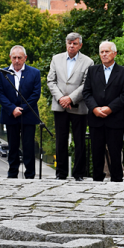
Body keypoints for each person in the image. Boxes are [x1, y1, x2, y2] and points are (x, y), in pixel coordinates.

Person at [82, 41, 124, 182]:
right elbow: (86, 92)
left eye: (107, 51)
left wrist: (110, 108)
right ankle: (97, 180)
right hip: (96, 118)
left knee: (115, 153)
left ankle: (116, 180)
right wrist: (94, 108)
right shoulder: (92, 71)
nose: (104, 54)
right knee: (96, 153)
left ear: (114, 53)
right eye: (102, 52)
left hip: (114, 119)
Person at [47, 32, 93, 181]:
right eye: (69, 43)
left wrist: (70, 98)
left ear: (80, 45)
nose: (71, 46)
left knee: (79, 140)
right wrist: (61, 98)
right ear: (66, 44)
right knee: (60, 139)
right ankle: (60, 172)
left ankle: (78, 173)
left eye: (74, 43)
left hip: (78, 106)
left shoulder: (88, 62)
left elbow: (86, 84)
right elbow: (51, 81)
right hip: (60, 106)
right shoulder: (56, 59)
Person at [0, 45, 41, 179]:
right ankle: (12, 174)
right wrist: (12, 109)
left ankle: (30, 175)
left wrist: (22, 109)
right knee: (13, 146)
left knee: (28, 146)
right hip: (10, 115)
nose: (16, 60)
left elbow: (35, 94)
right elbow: (0, 93)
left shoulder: (34, 73)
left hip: (28, 115)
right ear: (10, 57)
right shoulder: (3, 73)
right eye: (14, 57)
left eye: (19, 58)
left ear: (25, 58)